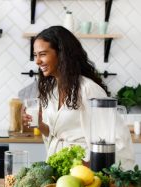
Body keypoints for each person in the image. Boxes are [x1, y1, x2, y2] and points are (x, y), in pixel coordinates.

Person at [22, 26, 135, 169]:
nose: (37, 61)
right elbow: (57, 134)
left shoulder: (89, 90)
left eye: (43, 54)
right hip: (58, 168)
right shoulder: (51, 90)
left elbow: (119, 139)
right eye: (35, 55)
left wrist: (90, 166)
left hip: (83, 172)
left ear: (62, 54)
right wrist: (39, 124)